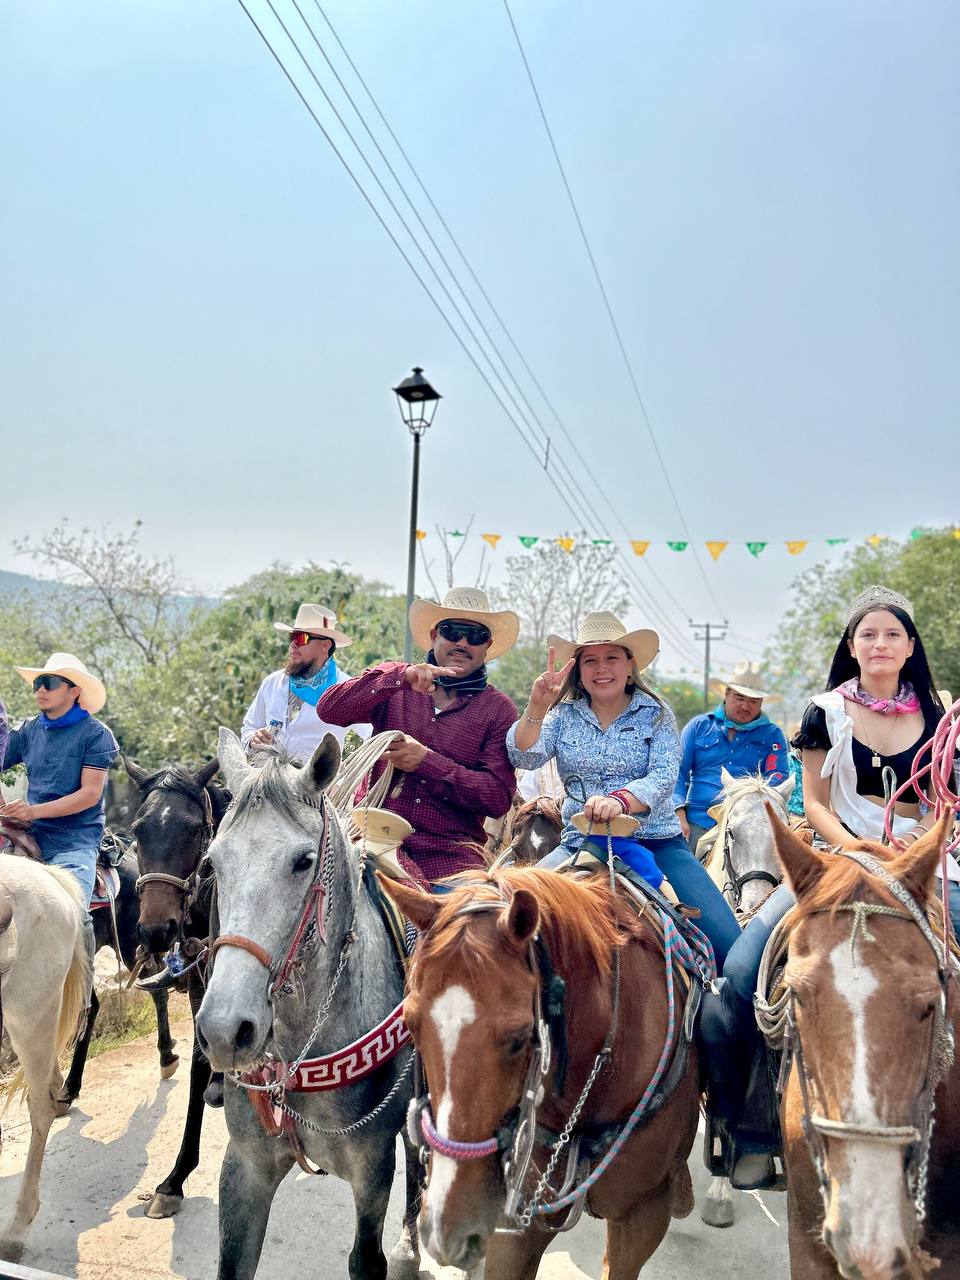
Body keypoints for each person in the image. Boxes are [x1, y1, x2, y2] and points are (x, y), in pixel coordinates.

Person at [700, 585, 954, 1188]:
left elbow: (945, 799)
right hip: (835, 861)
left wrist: (912, 850)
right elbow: (813, 802)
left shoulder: (941, 716)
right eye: (869, 634)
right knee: (735, 979)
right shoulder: (825, 712)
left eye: (893, 633)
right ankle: (749, 1125)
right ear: (852, 646)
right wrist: (855, 853)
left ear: (911, 646)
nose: (881, 642)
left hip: (923, 866)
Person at [507, 611, 740, 967]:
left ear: (629, 665)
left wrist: (621, 801)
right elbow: (523, 755)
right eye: (591, 660)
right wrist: (536, 707)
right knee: (506, 920)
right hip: (580, 843)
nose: (602, 668)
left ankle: (718, 1016)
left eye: (612, 657)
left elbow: (664, 775)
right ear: (579, 672)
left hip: (657, 843)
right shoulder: (561, 716)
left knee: (734, 952)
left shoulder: (656, 713)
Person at [317, 587, 519, 882]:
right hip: (369, 838)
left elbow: (497, 798)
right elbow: (329, 709)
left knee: (479, 921)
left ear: (486, 645)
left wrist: (427, 762)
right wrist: (399, 678)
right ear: (435, 634)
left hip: (449, 854)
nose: (462, 642)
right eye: (453, 631)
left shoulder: (499, 710)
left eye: (474, 636)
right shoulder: (394, 679)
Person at [0, 653, 119, 986]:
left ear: (74, 691)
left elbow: (89, 795)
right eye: (38, 683)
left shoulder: (96, 735)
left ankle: (81, 995)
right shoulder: (27, 730)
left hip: (76, 839)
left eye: (49, 683)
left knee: (75, 912)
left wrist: (32, 811)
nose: (40, 690)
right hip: (30, 834)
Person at [673, 661, 789, 854]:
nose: (745, 706)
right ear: (726, 694)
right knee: (674, 876)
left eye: (753, 701)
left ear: (761, 702)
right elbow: (677, 773)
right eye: (739, 698)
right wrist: (679, 815)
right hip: (697, 821)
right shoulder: (699, 726)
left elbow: (777, 777)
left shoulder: (773, 736)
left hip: (746, 826)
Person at [240, 603, 369, 762]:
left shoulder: (346, 690)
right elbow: (249, 727)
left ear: (325, 645)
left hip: (316, 786)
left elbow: (371, 737)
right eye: (292, 637)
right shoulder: (272, 682)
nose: (293, 645)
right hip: (268, 782)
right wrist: (253, 740)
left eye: (301, 638)